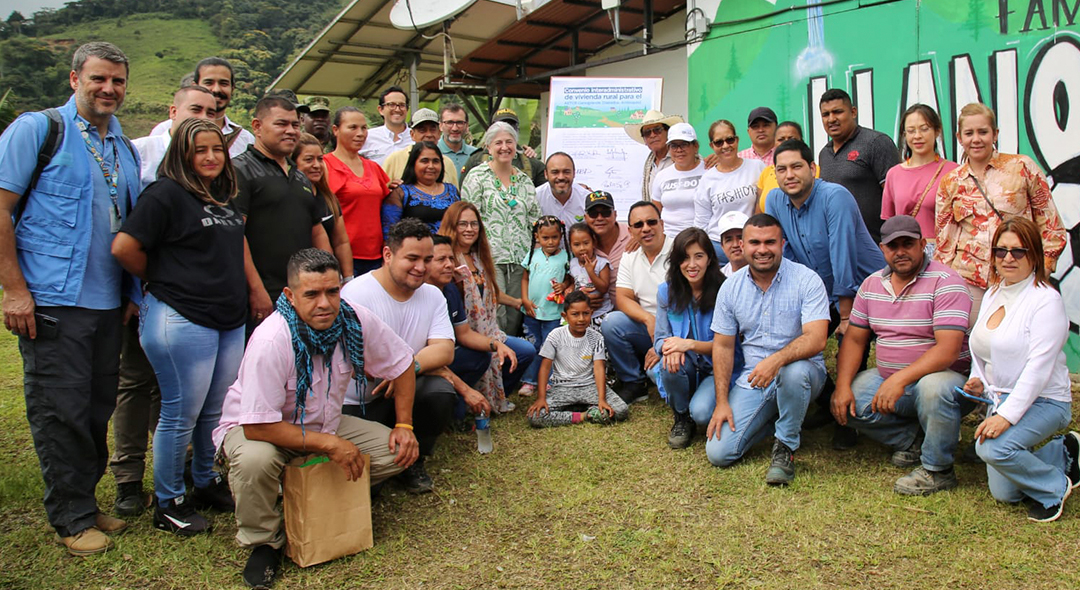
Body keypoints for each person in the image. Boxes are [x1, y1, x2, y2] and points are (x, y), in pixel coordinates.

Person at [0, 42, 140, 556]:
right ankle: (71, 517)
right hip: (53, 301)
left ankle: (84, 499)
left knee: (94, 408)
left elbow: (127, 227)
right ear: (74, 78)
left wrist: (131, 293)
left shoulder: (122, 146)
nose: (108, 89)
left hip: (108, 305)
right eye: (99, 79)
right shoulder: (39, 131)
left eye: (118, 81)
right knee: (58, 410)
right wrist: (16, 291)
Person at [212, 249, 418, 589]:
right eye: (311, 294)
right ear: (290, 296)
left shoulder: (354, 319)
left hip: (323, 424)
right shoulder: (271, 340)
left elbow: (402, 362)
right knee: (254, 462)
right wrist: (331, 444)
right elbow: (257, 425)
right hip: (260, 431)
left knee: (396, 451)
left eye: (332, 291)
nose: (324, 303)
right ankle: (264, 542)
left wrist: (405, 425)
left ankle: (308, 496)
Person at [111, 117, 246, 534]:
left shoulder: (223, 196)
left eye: (217, 149)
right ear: (182, 154)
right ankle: (169, 501)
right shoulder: (165, 194)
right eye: (199, 150)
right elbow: (124, 247)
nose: (210, 157)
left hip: (227, 317)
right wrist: (161, 279)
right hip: (181, 316)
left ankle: (204, 481)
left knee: (214, 409)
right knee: (180, 413)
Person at [830, 215, 975, 496]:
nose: (900, 252)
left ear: (922, 244)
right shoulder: (871, 285)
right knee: (851, 401)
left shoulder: (947, 282)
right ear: (882, 249)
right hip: (892, 378)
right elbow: (855, 339)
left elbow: (948, 350)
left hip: (947, 380)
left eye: (908, 244)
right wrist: (842, 385)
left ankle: (938, 469)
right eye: (892, 246)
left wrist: (900, 380)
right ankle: (915, 440)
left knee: (933, 389)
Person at [766, 139, 884, 449]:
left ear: (812, 169)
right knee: (795, 338)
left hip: (863, 288)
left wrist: (845, 315)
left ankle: (848, 420)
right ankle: (828, 402)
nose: (789, 174)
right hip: (820, 287)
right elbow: (786, 253)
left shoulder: (835, 196)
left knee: (849, 343)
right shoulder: (775, 201)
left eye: (796, 167)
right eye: (782, 169)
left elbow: (841, 252)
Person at [706, 214, 830, 485]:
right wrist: (723, 402)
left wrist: (776, 361)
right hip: (754, 378)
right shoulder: (730, 287)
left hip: (804, 373)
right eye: (755, 242)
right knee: (719, 453)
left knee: (794, 373)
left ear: (782, 244)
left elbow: (817, 338)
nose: (762, 249)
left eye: (770, 242)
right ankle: (776, 415)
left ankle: (785, 448)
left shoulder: (806, 280)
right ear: (743, 245)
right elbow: (723, 346)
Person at [967, 218, 1076, 522]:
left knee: (992, 449)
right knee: (1006, 494)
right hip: (1005, 400)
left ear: (1035, 256)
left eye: (1018, 251)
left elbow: (1038, 369)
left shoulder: (1046, 301)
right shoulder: (993, 294)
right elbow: (982, 348)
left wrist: (1006, 417)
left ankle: (1056, 487)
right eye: (1000, 252)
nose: (1008, 258)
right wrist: (977, 378)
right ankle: (1063, 452)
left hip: (1046, 401)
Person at [341, 219, 457, 494]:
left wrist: (407, 369)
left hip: (400, 392)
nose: (421, 268)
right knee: (367, 485)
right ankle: (390, 459)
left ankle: (413, 461)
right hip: (356, 401)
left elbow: (444, 349)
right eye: (412, 258)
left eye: (427, 259)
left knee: (439, 392)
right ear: (387, 255)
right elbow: (356, 359)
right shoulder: (356, 294)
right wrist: (398, 371)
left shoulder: (432, 295)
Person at [935, 102, 1066, 320]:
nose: (976, 139)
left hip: (1019, 277)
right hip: (969, 282)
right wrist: (947, 284)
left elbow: (1051, 226)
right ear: (959, 137)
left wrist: (1041, 272)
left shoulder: (1022, 167)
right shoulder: (950, 182)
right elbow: (944, 243)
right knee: (971, 347)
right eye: (969, 133)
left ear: (995, 134)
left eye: (983, 132)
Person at [233, 96, 332, 333]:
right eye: (281, 124)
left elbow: (316, 230)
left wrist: (330, 280)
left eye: (295, 125)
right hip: (262, 296)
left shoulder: (299, 176)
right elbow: (235, 236)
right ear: (257, 126)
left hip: (303, 294)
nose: (291, 131)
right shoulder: (240, 170)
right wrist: (256, 290)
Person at [438, 202, 533, 413]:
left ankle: (494, 397)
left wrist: (518, 302)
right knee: (483, 355)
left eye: (474, 224)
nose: (469, 229)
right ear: (452, 226)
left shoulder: (479, 257)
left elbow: (490, 293)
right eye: (463, 224)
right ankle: (462, 404)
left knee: (526, 351)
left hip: (488, 331)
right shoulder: (446, 261)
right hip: (459, 337)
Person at [655, 228, 735, 449]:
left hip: (717, 367)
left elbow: (729, 346)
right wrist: (672, 347)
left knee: (701, 413)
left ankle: (696, 406)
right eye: (685, 257)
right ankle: (681, 417)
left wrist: (688, 344)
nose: (692, 264)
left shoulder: (725, 290)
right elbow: (660, 339)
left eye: (698, 256)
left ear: (710, 259)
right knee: (666, 361)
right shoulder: (666, 291)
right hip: (685, 365)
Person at [460, 121, 540, 336]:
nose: (504, 147)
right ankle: (496, 359)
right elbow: (468, 218)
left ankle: (513, 361)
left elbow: (534, 220)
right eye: (498, 143)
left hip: (520, 259)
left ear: (516, 146)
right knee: (495, 311)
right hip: (489, 257)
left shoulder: (524, 181)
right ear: (488, 147)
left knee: (516, 313)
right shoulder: (477, 177)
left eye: (509, 142)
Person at [601, 201, 673, 405]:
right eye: (639, 225)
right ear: (631, 230)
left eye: (651, 222)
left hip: (677, 330)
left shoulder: (680, 250)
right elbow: (622, 297)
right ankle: (633, 383)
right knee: (612, 322)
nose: (646, 228)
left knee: (658, 376)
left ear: (662, 224)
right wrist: (648, 319)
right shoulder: (630, 255)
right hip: (647, 327)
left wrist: (663, 338)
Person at [527, 291, 629, 427]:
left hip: (589, 386)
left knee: (621, 410)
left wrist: (602, 399)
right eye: (575, 314)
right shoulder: (555, 336)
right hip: (562, 387)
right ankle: (583, 415)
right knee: (536, 417)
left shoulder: (596, 337)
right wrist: (541, 398)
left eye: (585, 313)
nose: (581, 319)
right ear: (565, 316)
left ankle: (583, 407)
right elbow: (545, 367)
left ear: (591, 313)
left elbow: (599, 368)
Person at [817, 88, 901, 243]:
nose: (831, 119)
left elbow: (897, 198)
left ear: (853, 112)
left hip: (877, 246)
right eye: (826, 114)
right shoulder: (824, 154)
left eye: (838, 112)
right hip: (839, 244)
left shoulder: (876, 143)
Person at [881, 104, 958, 257]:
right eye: (911, 131)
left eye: (924, 129)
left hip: (943, 254)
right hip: (905, 254)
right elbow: (889, 222)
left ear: (937, 131)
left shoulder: (953, 172)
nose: (917, 136)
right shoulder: (894, 174)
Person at [324, 107, 391, 276]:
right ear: (335, 130)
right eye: (353, 127)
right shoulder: (325, 165)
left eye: (364, 128)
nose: (360, 133)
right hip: (343, 257)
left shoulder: (373, 167)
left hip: (377, 256)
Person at [150, 57, 255, 157]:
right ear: (195, 85)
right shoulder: (165, 130)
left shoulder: (245, 139)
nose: (216, 89)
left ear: (232, 88)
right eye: (209, 82)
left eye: (224, 83)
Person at [695, 119, 765, 259]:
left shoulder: (757, 167)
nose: (725, 146)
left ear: (737, 140)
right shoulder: (707, 180)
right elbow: (701, 223)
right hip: (719, 248)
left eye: (730, 140)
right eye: (719, 142)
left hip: (752, 244)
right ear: (712, 146)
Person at [519, 216, 572, 396]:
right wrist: (525, 299)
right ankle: (529, 381)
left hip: (554, 313)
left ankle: (550, 380)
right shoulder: (532, 255)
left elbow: (569, 278)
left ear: (561, 236)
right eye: (545, 238)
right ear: (537, 237)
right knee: (533, 345)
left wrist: (564, 286)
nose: (550, 242)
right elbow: (525, 277)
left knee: (551, 346)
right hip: (532, 310)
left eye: (554, 237)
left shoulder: (566, 257)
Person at [292, 133, 354, 277]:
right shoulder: (291, 199)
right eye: (309, 160)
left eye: (320, 159)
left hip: (329, 273)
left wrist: (348, 278)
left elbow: (341, 242)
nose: (316, 165)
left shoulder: (328, 198)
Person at [132, 85, 217, 187]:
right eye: (196, 110)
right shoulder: (139, 150)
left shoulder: (214, 159)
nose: (204, 118)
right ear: (173, 112)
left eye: (210, 113)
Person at [381, 141, 460, 236]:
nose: (431, 166)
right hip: (413, 249)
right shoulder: (400, 193)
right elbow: (389, 234)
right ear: (413, 164)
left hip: (448, 249)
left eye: (435, 161)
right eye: (424, 161)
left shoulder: (452, 191)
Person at [460, 109, 545, 188]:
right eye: (500, 125)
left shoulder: (532, 163)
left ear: (518, 130)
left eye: (511, 126)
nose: (505, 129)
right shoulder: (475, 161)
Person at [650, 122, 705, 239]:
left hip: (701, 239)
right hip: (668, 240)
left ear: (695, 146)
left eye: (684, 144)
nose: (679, 150)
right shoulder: (661, 176)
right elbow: (654, 212)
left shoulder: (708, 171)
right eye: (674, 146)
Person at [380, 108, 460, 186]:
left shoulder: (447, 163)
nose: (428, 135)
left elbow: (455, 195)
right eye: (422, 130)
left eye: (432, 130)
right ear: (412, 134)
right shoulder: (395, 160)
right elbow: (382, 190)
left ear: (439, 133)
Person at [582, 191, 632, 308]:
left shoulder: (633, 234)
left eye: (605, 213)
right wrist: (580, 294)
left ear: (615, 214)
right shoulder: (581, 243)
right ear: (585, 218)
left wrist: (640, 239)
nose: (599, 218)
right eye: (593, 214)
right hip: (597, 313)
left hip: (633, 310)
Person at [624, 109, 683, 202]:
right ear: (644, 139)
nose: (652, 135)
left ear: (668, 132)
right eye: (647, 133)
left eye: (657, 130)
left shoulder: (683, 157)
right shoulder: (649, 165)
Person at [757, 121, 815, 211]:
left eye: (791, 138)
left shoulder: (813, 171)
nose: (789, 175)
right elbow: (759, 208)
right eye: (781, 139)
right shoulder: (766, 172)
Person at [566, 222, 612, 322]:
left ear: (593, 243)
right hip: (580, 314)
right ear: (571, 246)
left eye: (586, 243)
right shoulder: (573, 263)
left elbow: (604, 288)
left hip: (600, 313)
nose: (582, 248)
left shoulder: (602, 263)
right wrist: (569, 289)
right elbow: (572, 283)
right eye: (577, 245)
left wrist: (590, 271)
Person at [359, 86, 412, 165]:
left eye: (402, 105)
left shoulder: (416, 137)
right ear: (380, 110)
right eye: (391, 105)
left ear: (407, 109)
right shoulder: (367, 137)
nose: (397, 109)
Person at [536, 152, 589, 229]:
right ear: (546, 174)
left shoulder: (586, 199)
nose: (561, 177)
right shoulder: (535, 198)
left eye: (566, 172)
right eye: (555, 172)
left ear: (574, 173)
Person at [437, 103, 478, 174]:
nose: (455, 128)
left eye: (459, 123)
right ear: (440, 126)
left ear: (467, 126)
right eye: (449, 123)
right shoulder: (433, 152)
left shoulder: (475, 155)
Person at [715, 211, 749, 277]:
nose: (735, 245)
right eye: (729, 240)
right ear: (722, 246)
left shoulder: (763, 273)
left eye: (740, 237)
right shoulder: (719, 279)